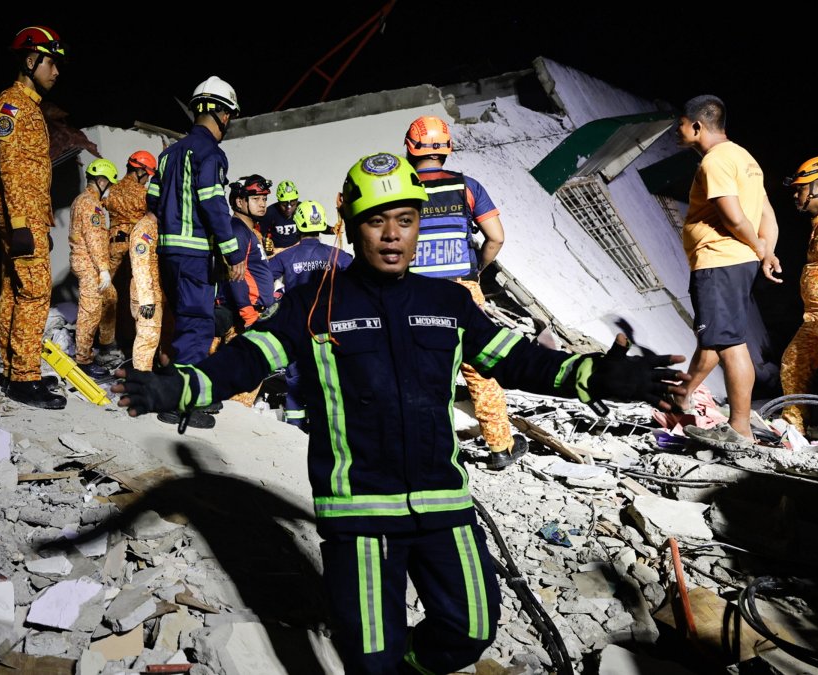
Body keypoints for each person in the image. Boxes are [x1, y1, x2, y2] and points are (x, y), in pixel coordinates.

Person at [113, 152, 690, 674]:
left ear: (419, 223)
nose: (392, 236)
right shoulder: (315, 301)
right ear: (351, 222)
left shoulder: (447, 303)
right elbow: (246, 360)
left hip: (444, 506)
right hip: (359, 515)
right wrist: (180, 387)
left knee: (470, 632)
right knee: (369, 661)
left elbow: (517, 362)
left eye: (405, 220)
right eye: (375, 221)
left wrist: (594, 375)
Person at [404, 115, 525, 469]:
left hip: (416, 292)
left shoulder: (401, 189)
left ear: (410, 148)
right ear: (447, 148)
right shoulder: (468, 186)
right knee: (480, 368)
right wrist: (477, 273)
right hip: (462, 289)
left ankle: (424, 449)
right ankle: (501, 447)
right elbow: (496, 236)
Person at [675, 95, 781, 440]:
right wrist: (766, 251)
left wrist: (758, 248)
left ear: (696, 126)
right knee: (717, 339)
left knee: (730, 345)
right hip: (738, 262)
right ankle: (680, 397)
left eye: (680, 125)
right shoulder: (745, 158)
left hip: (719, 260)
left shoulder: (715, 161)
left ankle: (739, 428)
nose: (677, 131)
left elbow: (732, 215)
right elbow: (767, 214)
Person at [146, 76, 247, 369]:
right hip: (195, 256)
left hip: (168, 255)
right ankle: (188, 400)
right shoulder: (210, 153)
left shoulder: (167, 155)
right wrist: (233, 253)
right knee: (198, 324)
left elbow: (153, 201)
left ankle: (177, 384)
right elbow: (213, 203)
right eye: (230, 115)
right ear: (223, 114)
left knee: (181, 320)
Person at [0, 26, 67, 409]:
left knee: (13, 290)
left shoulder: (29, 106)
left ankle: (13, 369)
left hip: (28, 214)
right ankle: (24, 377)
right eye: (51, 62)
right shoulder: (12, 105)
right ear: (30, 60)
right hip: (19, 213)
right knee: (36, 292)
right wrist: (21, 223)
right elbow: (10, 167)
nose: (56, 71)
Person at [269, 200, 353, 428]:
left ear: (297, 224)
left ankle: (294, 428)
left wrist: (276, 299)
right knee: (327, 378)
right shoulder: (337, 255)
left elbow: (261, 278)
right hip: (328, 326)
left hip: (296, 326)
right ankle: (324, 425)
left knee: (295, 378)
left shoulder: (286, 257)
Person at [779, 156, 818, 434]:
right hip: (814, 318)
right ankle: (793, 428)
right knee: (793, 363)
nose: (797, 195)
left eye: (801, 188)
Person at [101, 150, 158, 367]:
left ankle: (108, 343)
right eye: (148, 174)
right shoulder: (144, 195)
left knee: (112, 297)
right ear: (142, 171)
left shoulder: (112, 190)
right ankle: (133, 344)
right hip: (136, 249)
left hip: (114, 246)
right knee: (136, 296)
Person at [69, 158, 119, 378]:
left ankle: (103, 345)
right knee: (89, 311)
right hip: (89, 263)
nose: (109, 190)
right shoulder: (91, 205)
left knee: (109, 298)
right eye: (109, 184)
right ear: (101, 181)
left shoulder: (82, 200)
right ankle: (83, 360)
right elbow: (95, 240)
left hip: (85, 261)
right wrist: (103, 269)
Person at [223, 175, 276, 330]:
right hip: (248, 317)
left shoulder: (247, 230)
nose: (262, 204)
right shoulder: (238, 231)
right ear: (240, 202)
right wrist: (249, 316)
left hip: (258, 313)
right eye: (255, 199)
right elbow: (235, 276)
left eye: (264, 199)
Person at [128, 212, 163, 372]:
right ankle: (141, 386)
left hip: (157, 292)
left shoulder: (156, 226)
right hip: (147, 295)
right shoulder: (144, 228)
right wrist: (147, 299)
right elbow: (140, 264)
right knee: (147, 339)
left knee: (156, 339)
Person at [259, 179, 301, 255]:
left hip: (298, 253)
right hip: (277, 255)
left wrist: (330, 230)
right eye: (284, 204)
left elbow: (318, 226)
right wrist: (265, 243)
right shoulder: (270, 212)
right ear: (279, 201)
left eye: (293, 203)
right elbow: (258, 234)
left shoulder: (303, 209)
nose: (289, 208)